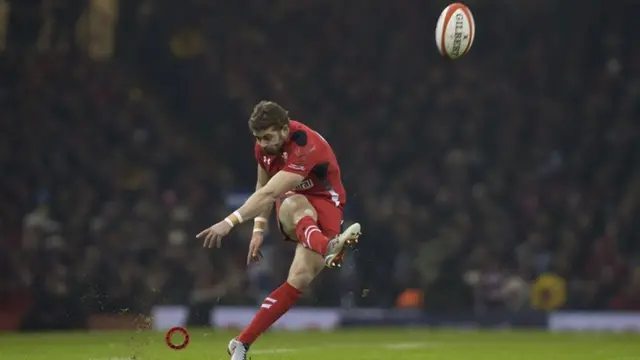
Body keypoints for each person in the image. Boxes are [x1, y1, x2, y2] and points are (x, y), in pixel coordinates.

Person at [196, 100, 361, 360]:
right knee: (296, 203)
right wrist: (258, 229)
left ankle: (240, 343)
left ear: (284, 129)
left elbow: (270, 191)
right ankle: (329, 247)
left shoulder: (305, 145)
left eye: (268, 137)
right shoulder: (263, 149)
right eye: (258, 138)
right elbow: (264, 188)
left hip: (329, 203)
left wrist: (227, 222)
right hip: (295, 203)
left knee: (300, 279)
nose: (262, 143)